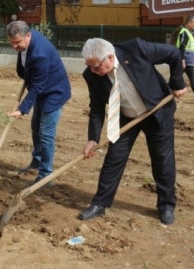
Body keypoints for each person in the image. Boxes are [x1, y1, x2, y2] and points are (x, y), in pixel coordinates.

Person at [78, 38, 186, 225]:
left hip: (156, 111)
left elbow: (173, 54)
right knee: (114, 158)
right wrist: (92, 139)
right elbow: (96, 108)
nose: (93, 71)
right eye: (91, 67)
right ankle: (100, 203)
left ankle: (166, 206)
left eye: (96, 67)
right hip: (126, 117)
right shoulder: (91, 75)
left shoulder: (135, 49)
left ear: (110, 57)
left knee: (162, 160)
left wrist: (177, 83)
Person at [6, 21, 71, 187]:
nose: (14, 46)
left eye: (17, 42)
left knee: (46, 134)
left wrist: (22, 109)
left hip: (54, 93)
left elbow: (37, 87)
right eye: (11, 42)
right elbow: (24, 68)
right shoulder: (25, 41)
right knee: (36, 128)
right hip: (41, 90)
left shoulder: (40, 54)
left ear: (28, 36)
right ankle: (37, 161)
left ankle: (45, 175)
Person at [176, 15, 194, 105]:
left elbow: (190, 47)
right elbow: (182, 47)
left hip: (188, 60)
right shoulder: (184, 32)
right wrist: (182, 60)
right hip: (186, 61)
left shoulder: (188, 32)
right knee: (192, 79)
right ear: (189, 23)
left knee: (177, 78)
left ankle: (163, 94)